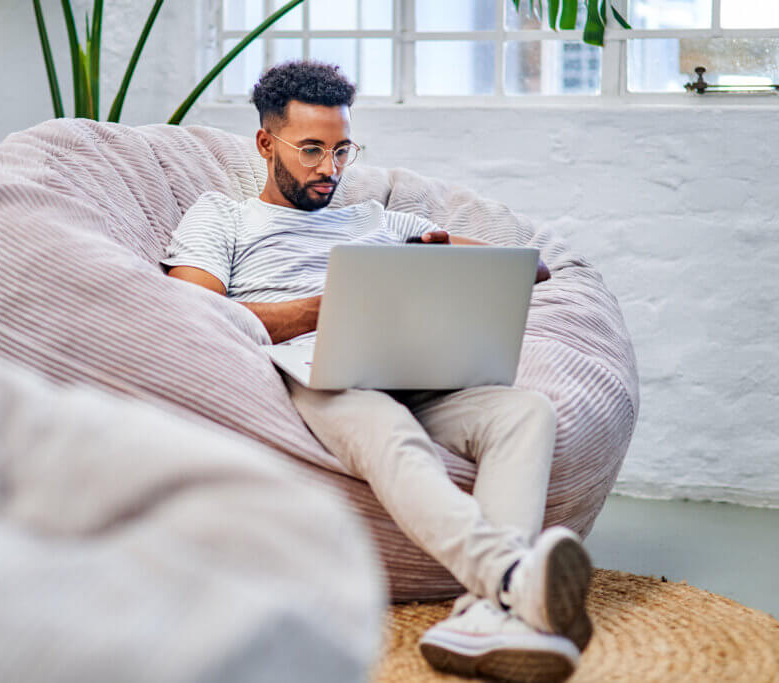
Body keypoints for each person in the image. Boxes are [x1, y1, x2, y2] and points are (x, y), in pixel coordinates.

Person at [161, 60, 592, 683]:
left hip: (410, 365)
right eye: (311, 149)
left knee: (525, 411)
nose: (328, 168)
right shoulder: (223, 217)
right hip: (316, 372)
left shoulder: (380, 223)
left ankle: (487, 616)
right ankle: (511, 578)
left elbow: (529, 268)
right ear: (265, 143)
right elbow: (197, 308)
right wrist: (326, 307)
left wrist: (438, 260)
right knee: (383, 423)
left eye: (342, 150)